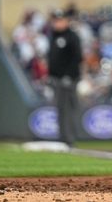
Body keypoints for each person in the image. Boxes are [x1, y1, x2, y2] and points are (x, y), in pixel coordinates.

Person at [47, 8, 82, 146]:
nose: (57, 23)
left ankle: (69, 138)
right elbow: (52, 59)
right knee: (60, 108)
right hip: (56, 79)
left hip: (68, 80)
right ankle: (62, 137)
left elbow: (77, 58)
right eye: (55, 20)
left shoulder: (72, 37)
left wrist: (69, 76)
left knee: (68, 109)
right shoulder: (53, 36)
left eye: (60, 20)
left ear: (66, 21)